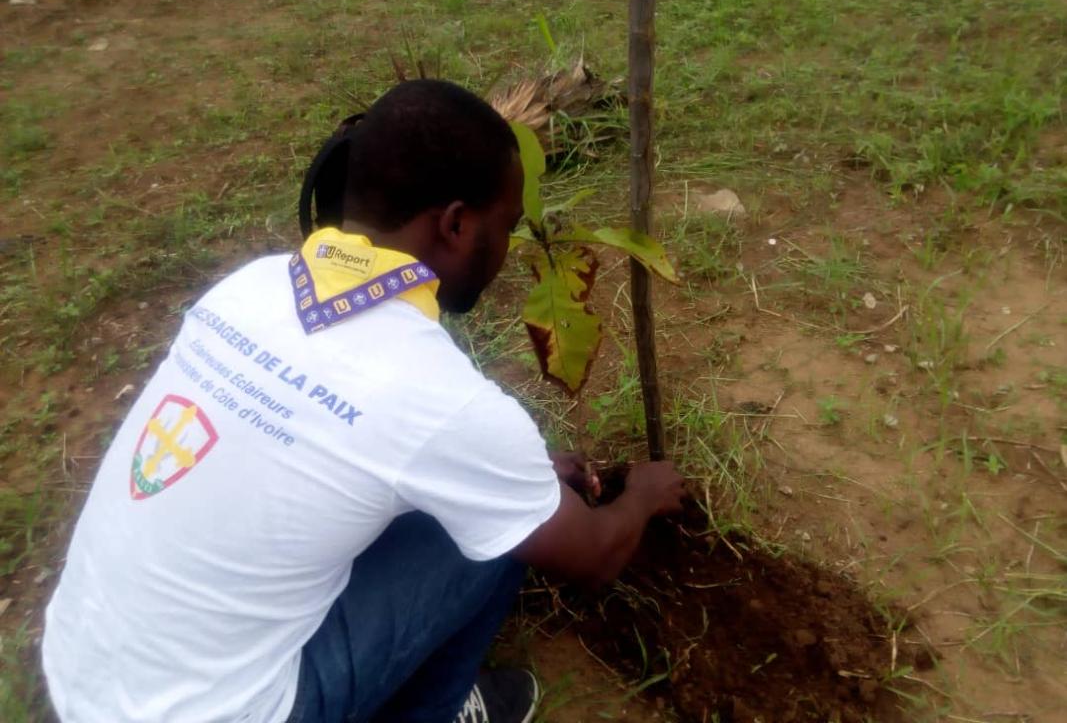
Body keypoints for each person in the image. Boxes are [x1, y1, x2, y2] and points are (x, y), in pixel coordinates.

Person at [42, 80, 686, 723]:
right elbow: (591, 556)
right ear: (456, 224)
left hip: (82, 677)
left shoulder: (246, 288)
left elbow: (350, 441)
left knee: (485, 501)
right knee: (500, 540)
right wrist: (643, 495)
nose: (506, 251)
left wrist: (521, 473)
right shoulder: (440, 397)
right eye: (505, 226)